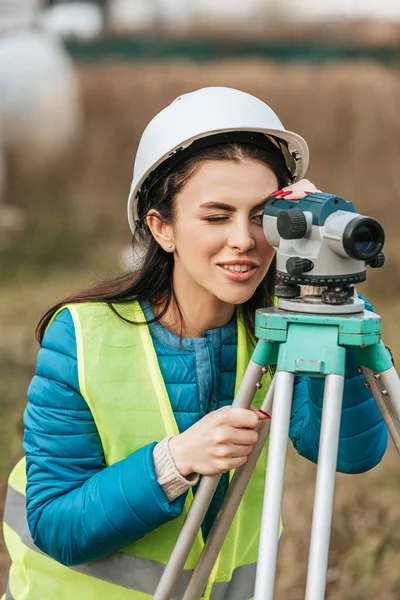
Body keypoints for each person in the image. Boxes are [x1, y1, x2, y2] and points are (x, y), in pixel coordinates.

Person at [2, 87, 388, 600]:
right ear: (162, 228)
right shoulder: (83, 335)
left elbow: (350, 453)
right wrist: (175, 461)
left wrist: (335, 307)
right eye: (215, 216)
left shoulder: (278, 335)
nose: (244, 240)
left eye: (261, 216)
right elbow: (56, 526)